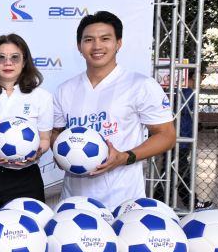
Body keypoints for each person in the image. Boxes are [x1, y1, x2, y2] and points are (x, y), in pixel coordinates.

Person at [51, 11, 177, 209]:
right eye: (89, 40)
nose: (97, 46)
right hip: (73, 203)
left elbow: (166, 135)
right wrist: (60, 152)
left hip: (123, 201)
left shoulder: (141, 85)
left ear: (118, 43)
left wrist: (124, 157)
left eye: (105, 39)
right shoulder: (65, 89)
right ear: (79, 46)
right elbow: (56, 132)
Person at [0, 34, 53, 211]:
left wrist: (37, 153)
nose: (8, 63)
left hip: (26, 178)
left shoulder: (42, 97)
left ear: (24, 61)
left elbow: (45, 139)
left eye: (14, 57)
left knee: (29, 227)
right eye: (1, 58)